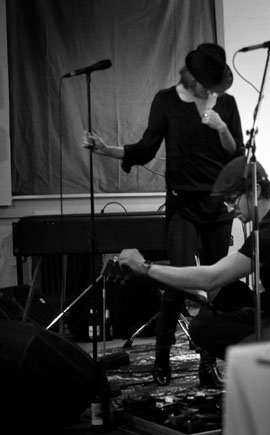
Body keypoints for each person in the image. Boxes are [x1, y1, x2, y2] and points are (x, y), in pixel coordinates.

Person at [83, 43, 244, 388]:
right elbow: (146, 148)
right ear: (192, 76)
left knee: (215, 285)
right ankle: (162, 354)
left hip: (218, 206)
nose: (209, 89)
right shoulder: (167, 101)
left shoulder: (227, 104)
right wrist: (107, 150)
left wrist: (221, 128)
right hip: (183, 205)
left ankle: (207, 364)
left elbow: (237, 154)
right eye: (205, 82)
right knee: (177, 281)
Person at [118, 156, 270, 385]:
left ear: (256, 191)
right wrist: (150, 275)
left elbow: (211, 277)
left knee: (248, 354)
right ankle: (266, 369)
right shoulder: (268, 226)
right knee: (203, 327)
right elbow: (212, 282)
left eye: (232, 200)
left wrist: (145, 267)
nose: (229, 208)